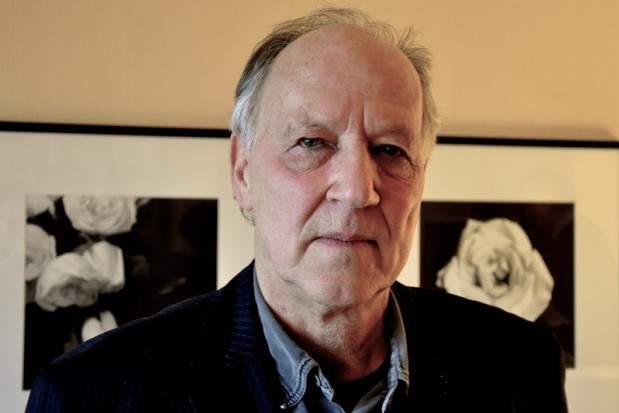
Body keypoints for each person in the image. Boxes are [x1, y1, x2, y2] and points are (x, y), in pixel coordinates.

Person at [25, 7, 568, 412]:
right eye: (311, 142)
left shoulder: (517, 365)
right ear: (243, 173)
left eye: (390, 150)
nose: (356, 190)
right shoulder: (91, 395)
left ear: (420, 177)